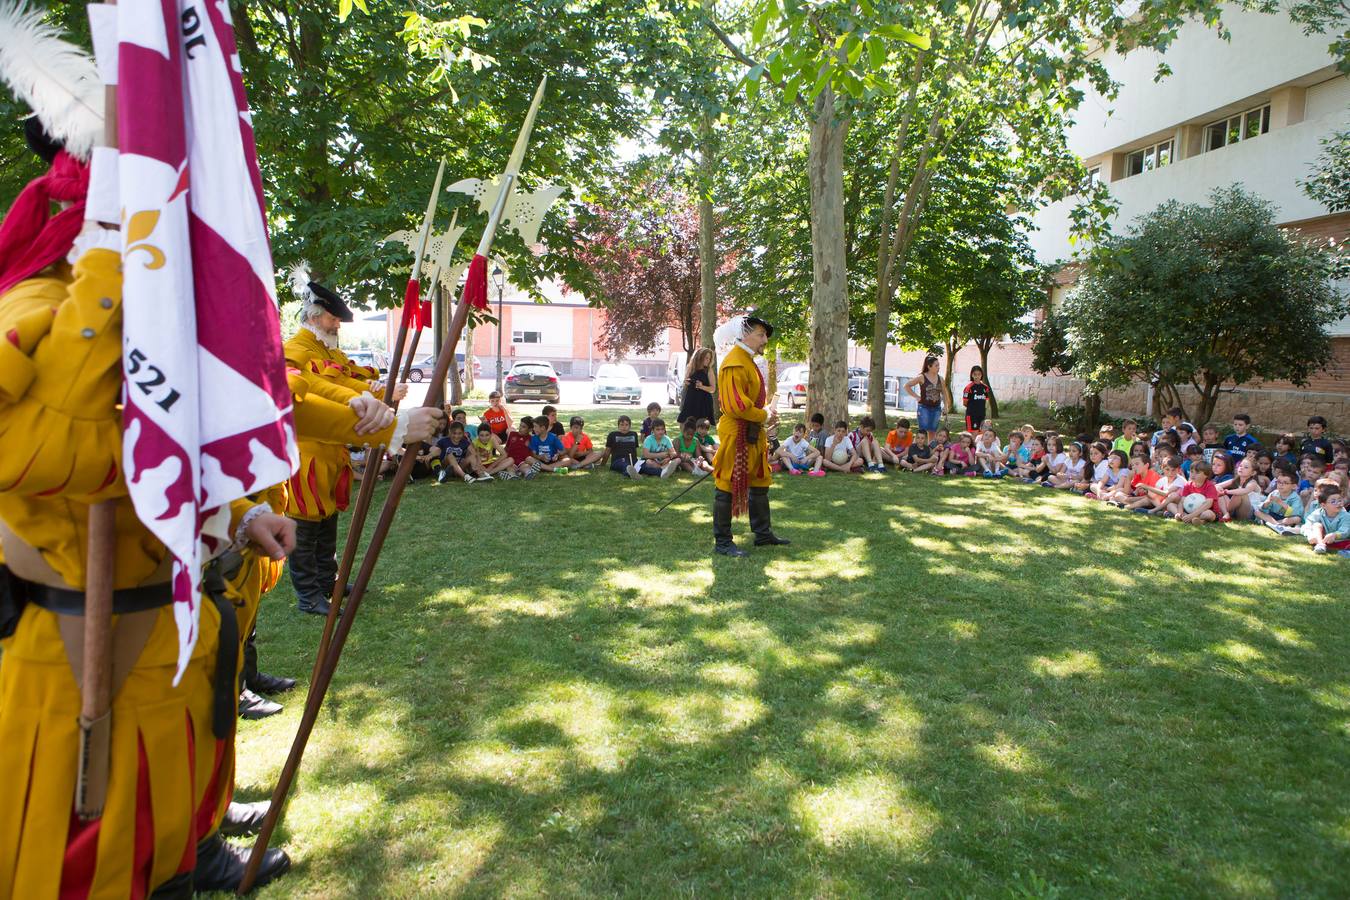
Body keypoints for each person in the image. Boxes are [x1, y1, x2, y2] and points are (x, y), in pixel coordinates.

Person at [0, 100, 305, 890]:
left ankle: (195, 851)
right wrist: (109, 264)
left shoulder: (177, 322)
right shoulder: (29, 308)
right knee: (77, 869)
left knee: (163, 856)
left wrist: (242, 513)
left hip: (174, 633)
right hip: (73, 660)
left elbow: (180, 455)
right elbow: (43, 451)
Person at [710, 315, 788, 555]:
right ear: (745, 335)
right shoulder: (735, 361)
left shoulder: (746, 360)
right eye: (760, 335)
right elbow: (736, 405)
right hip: (737, 433)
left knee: (759, 481)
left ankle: (763, 534)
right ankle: (723, 542)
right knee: (727, 483)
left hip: (752, 433)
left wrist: (763, 416)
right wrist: (764, 415)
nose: (765, 339)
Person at [905, 356, 952, 441]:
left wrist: (946, 406)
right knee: (922, 431)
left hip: (936, 408)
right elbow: (907, 386)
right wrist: (916, 397)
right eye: (936, 365)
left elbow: (944, 394)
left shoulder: (940, 378)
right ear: (929, 366)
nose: (938, 367)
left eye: (939, 365)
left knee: (933, 431)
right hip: (924, 407)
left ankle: (930, 450)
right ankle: (916, 449)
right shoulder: (921, 377)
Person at [1302, 486, 1350, 554]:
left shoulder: (1346, 516)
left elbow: (1346, 530)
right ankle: (1320, 545)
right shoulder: (1318, 513)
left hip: (1340, 540)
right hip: (1323, 539)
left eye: (1340, 500)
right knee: (1316, 525)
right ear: (1323, 505)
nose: (1338, 503)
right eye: (1333, 501)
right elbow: (1307, 525)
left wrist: (1335, 535)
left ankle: (1321, 544)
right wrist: (1309, 535)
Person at [677, 347, 717, 426]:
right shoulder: (690, 368)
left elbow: (713, 389)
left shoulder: (709, 370)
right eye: (706, 358)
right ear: (700, 357)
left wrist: (701, 386)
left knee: (701, 426)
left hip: (704, 401)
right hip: (691, 399)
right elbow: (686, 381)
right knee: (687, 424)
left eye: (709, 358)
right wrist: (687, 382)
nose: (708, 360)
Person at [604, 415, 643, 480]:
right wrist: (603, 463)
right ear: (618, 426)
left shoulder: (634, 434)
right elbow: (607, 450)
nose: (624, 427)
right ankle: (631, 472)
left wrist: (636, 459)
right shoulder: (612, 435)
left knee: (644, 467)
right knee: (624, 465)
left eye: (626, 425)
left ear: (630, 426)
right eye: (622, 425)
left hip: (632, 460)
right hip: (618, 460)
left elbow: (634, 449)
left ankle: (661, 472)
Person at [962, 366, 994, 432]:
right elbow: (965, 403)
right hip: (972, 416)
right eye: (975, 374)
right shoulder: (968, 388)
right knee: (973, 435)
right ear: (971, 375)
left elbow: (986, 403)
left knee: (981, 434)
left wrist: (987, 415)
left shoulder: (985, 387)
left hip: (982, 415)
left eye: (979, 374)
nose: (977, 376)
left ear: (981, 375)